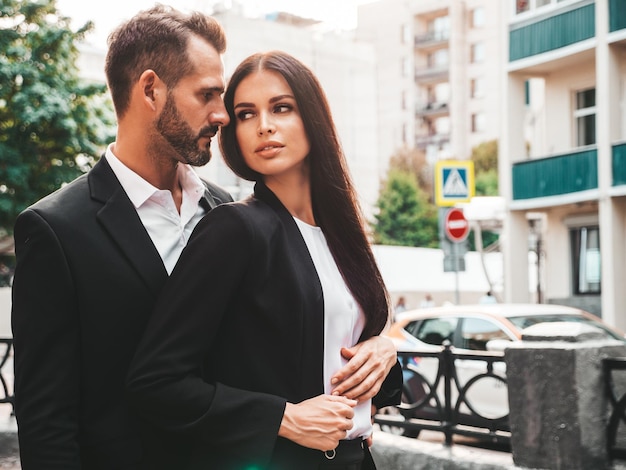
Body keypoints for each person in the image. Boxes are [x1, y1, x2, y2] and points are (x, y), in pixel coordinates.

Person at [126, 50, 402, 469]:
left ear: (312, 116)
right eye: (245, 114)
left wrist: (384, 351)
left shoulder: (342, 235)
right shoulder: (234, 230)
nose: (265, 126)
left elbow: (344, 367)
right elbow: (156, 382)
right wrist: (283, 418)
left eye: (281, 107)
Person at [10, 6, 234, 468]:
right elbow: (47, 425)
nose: (222, 114)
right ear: (151, 89)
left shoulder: (226, 211)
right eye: (207, 94)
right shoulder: (54, 230)